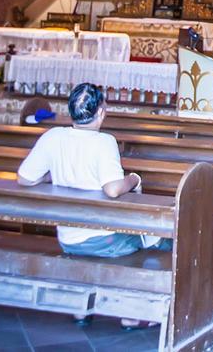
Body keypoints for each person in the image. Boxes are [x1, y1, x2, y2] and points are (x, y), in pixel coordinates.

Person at [15, 83, 156, 259]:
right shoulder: (104, 141)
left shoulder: (53, 136)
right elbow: (112, 189)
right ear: (100, 113)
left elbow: (24, 178)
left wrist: (50, 177)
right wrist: (134, 179)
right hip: (103, 240)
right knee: (161, 239)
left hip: (68, 240)